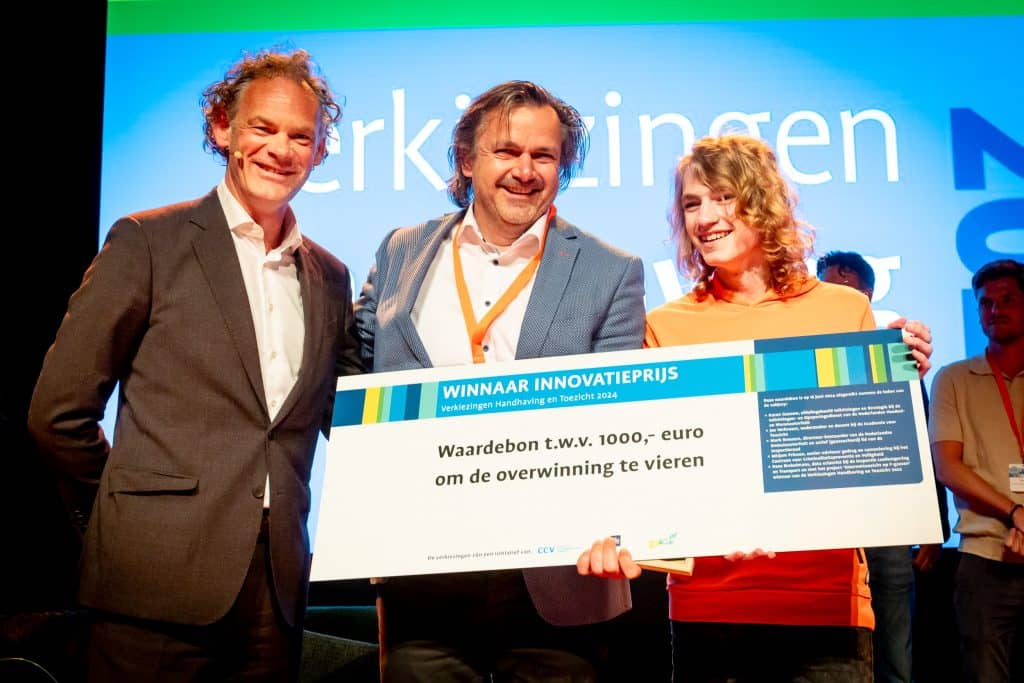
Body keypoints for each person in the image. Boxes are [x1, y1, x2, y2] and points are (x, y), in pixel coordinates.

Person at [27, 48, 363, 681]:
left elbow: (344, 419)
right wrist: (125, 519)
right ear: (222, 128)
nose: (280, 149)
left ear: (320, 150)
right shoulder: (148, 241)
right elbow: (57, 414)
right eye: (262, 128)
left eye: (300, 136)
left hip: (274, 597)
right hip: (148, 585)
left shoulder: (330, 275)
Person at [579, 134, 933, 682]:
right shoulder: (667, 327)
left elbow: (861, 455)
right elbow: (653, 467)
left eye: (723, 198)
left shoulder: (844, 310)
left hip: (825, 606)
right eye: (692, 204)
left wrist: (898, 378)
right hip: (710, 612)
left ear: (763, 203)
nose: (705, 218)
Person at [355, 80, 645, 681]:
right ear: (467, 160)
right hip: (422, 572)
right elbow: (354, 379)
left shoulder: (610, 270)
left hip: (558, 576)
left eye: (544, 156)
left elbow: (621, 417)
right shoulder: (402, 251)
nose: (525, 171)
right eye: (506, 151)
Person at [817, 249, 949, 683]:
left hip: (889, 530)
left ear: (868, 295)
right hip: (827, 529)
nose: (836, 296)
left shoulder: (892, 354)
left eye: (847, 288)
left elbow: (922, 443)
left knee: (895, 650)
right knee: (831, 653)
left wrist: (934, 525)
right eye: (827, 286)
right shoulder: (802, 358)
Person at [930, 258, 1024, 683]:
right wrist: (1015, 513)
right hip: (985, 556)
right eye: (986, 303)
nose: (995, 310)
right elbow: (947, 466)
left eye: (1007, 300)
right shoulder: (954, 378)